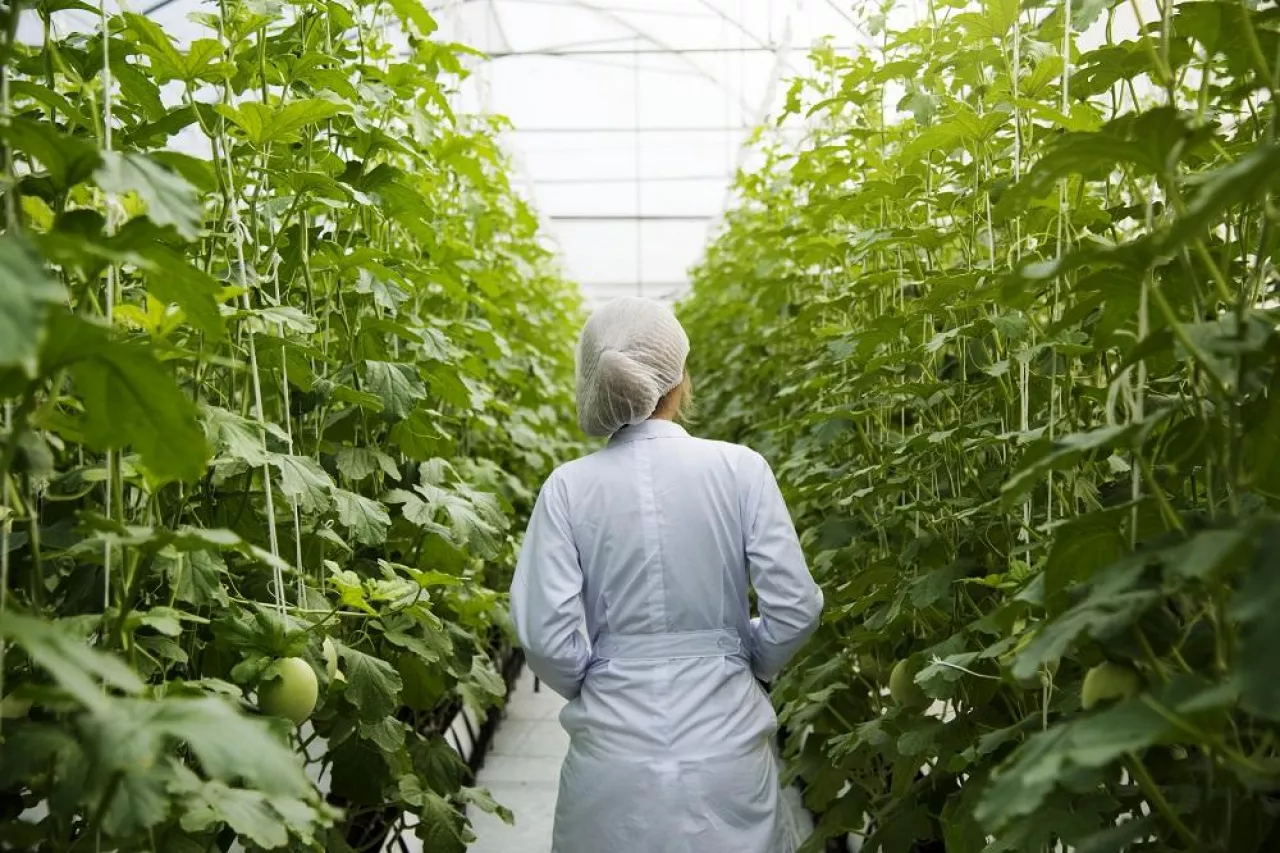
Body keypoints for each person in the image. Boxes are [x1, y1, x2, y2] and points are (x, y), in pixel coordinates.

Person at [509, 296, 824, 853]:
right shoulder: (740, 469)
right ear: (679, 379)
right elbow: (795, 606)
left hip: (612, 759)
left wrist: (605, 673)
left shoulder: (568, 487)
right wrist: (745, 658)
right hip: (726, 746)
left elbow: (546, 639)